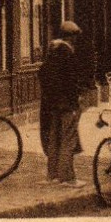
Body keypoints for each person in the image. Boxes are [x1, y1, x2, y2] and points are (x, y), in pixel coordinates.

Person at [38, 20, 83, 185]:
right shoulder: (67, 54)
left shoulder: (52, 52)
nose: (76, 40)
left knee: (54, 139)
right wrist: (74, 101)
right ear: (70, 37)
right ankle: (68, 178)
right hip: (66, 105)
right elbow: (71, 82)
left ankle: (52, 175)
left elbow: (42, 75)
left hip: (51, 105)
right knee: (68, 139)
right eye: (75, 37)